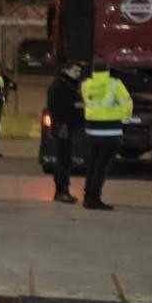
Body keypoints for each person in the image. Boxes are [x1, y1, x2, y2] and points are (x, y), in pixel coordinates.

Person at [78, 62, 133, 210]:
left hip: (91, 132)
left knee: (92, 166)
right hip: (111, 132)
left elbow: (89, 104)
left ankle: (87, 197)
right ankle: (94, 199)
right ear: (108, 71)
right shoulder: (115, 84)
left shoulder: (86, 85)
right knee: (101, 168)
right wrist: (122, 117)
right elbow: (127, 104)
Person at [45, 60, 83, 204]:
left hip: (68, 126)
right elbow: (55, 107)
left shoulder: (71, 85)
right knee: (63, 160)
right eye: (75, 71)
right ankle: (61, 192)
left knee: (66, 161)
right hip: (62, 127)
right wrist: (75, 105)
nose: (78, 74)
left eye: (79, 71)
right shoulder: (59, 86)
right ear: (66, 71)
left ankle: (63, 191)